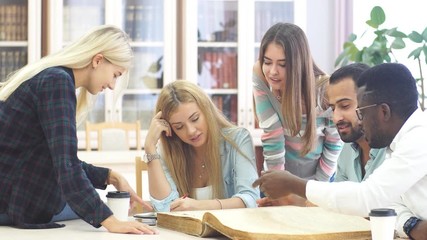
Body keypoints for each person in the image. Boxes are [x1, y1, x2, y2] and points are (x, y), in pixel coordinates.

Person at [0, 25, 156, 234]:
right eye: (115, 75)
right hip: (14, 203)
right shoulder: (57, 82)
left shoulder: (53, 78)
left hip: (13, 195)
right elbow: (66, 167)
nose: (111, 85)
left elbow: (57, 159)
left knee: (99, 206)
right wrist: (111, 222)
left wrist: (110, 176)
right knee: (107, 211)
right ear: (98, 60)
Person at [253, 63, 427, 239]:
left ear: (383, 112)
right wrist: (412, 225)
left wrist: (295, 185)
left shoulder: (419, 137)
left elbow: (368, 199)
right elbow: (389, 207)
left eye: (362, 113)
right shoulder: (397, 144)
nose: (360, 120)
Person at [253, 22, 343, 206]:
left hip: (319, 183)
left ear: (299, 63)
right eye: (267, 61)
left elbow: (333, 146)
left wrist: (313, 194)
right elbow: (272, 137)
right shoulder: (260, 76)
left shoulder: (325, 90)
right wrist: (280, 193)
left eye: (283, 64)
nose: (272, 71)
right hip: (277, 180)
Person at [144, 80, 260, 212]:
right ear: (171, 129)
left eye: (195, 119)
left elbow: (251, 199)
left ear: (206, 110)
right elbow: (164, 208)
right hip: (186, 232)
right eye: (179, 127)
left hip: (229, 231)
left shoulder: (238, 140)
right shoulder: (167, 153)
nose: (191, 131)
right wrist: (149, 147)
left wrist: (200, 206)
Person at [328, 63, 386, 182]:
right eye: (333, 108)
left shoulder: (395, 152)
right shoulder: (347, 150)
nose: (336, 118)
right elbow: (337, 198)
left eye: (345, 106)